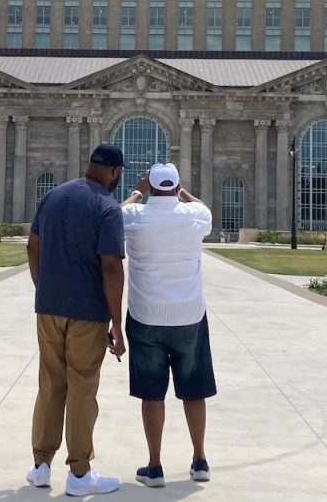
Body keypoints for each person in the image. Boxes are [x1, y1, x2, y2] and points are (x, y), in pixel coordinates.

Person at [25, 143, 126, 496]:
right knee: (82, 388)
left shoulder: (53, 197)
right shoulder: (107, 208)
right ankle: (80, 474)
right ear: (115, 172)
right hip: (87, 314)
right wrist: (117, 323)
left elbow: (32, 246)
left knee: (51, 384)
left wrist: (45, 287)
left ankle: (40, 465)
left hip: (49, 309)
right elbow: (112, 267)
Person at [120, 162, 216, 489]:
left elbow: (116, 213)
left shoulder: (134, 218)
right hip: (189, 316)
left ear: (150, 185)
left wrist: (138, 191)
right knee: (195, 390)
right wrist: (181, 192)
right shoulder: (195, 217)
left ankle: (155, 466)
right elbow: (202, 208)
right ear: (175, 187)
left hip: (146, 317)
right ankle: (200, 459)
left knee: (152, 394)